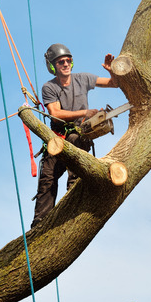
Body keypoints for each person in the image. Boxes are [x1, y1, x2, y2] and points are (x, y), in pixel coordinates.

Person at [31, 43, 118, 228]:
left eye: (68, 60)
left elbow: (114, 84)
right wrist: (84, 113)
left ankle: (74, 208)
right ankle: (39, 224)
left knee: (76, 170)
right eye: (60, 61)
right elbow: (55, 113)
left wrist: (112, 71)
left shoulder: (83, 78)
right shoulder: (49, 87)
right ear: (53, 66)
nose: (65, 64)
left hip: (79, 137)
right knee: (47, 179)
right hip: (57, 139)